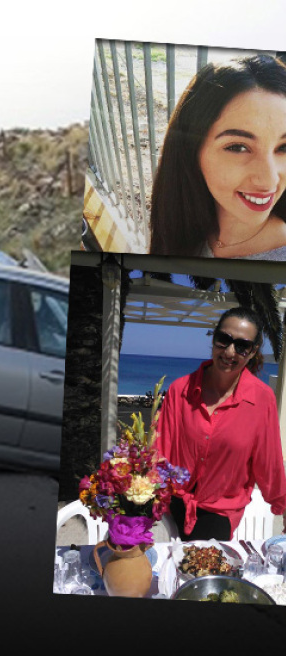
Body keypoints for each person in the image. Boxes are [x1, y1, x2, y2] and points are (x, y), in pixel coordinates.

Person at [153, 306, 286, 540]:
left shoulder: (261, 399)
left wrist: (282, 505)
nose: (230, 352)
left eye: (242, 346)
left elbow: (268, 462)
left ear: (253, 352)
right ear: (213, 338)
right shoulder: (180, 390)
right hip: (170, 506)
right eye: (223, 340)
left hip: (219, 515)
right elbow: (159, 450)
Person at [149, 54, 286, 259]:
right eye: (238, 147)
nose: (270, 180)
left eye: (284, 147)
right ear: (191, 150)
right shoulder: (182, 226)